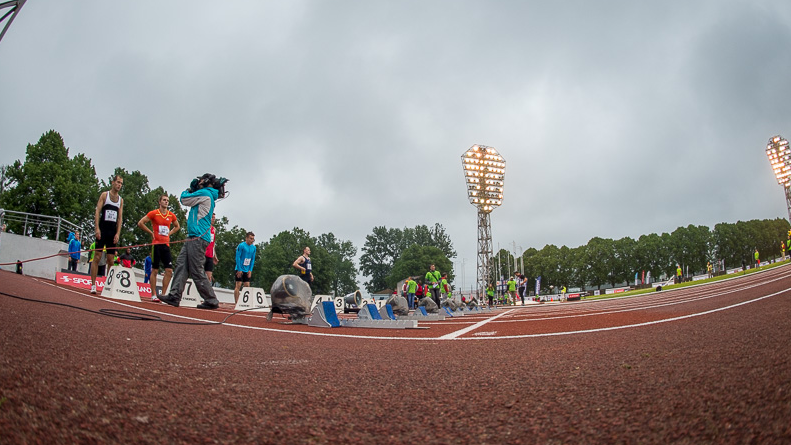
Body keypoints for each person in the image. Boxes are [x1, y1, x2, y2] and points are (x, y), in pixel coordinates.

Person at [159, 174, 225, 310]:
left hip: (198, 238)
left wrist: (189, 190)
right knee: (181, 265)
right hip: (193, 236)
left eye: (200, 180)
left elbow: (184, 199)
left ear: (206, 182)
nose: (198, 182)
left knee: (196, 270)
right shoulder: (207, 194)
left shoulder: (205, 193)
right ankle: (174, 295)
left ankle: (211, 299)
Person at [137, 194, 180, 297]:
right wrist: (150, 232)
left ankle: (164, 294)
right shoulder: (154, 213)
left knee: (169, 270)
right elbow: (141, 223)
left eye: (167, 200)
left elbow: (177, 226)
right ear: (159, 202)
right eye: (164, 200)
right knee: (155, 270)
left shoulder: (171, 215)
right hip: (156, 244)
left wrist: (170, 233)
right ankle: (153, 294)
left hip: (166, 245)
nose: (166, 202)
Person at [90, 175, 124, 294]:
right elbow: (97, 211)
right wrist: (97, 228)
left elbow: (120, 218)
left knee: (110, 260)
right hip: (103, 230)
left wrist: (118, 233)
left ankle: (107, 286)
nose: (119, 185)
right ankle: (93, 285)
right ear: (113, 182)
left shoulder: (120, 200)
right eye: (118, 182)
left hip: (112, 232)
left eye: (121, 183)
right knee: (97, 257)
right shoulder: (105, 195)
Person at [234, 232, 256, 302]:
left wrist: (250, 270)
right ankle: (236, 302)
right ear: (246, 238)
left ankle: (244, 301)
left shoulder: (253, 248)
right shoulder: (241, 246)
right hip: (239, 268)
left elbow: (253, 259)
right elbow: (237, 257)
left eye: (253, 239)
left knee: (247, 285)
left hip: (247, 269)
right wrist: (239, 269)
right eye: (250, 238)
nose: (252, 240)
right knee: (238, 284)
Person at [204, 213, 219, 284]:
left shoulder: (214, 229)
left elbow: (213, 244)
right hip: (203, 253)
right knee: (199, 274)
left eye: (214, 218)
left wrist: (215, 255)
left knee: (209, 276)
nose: (213, 219)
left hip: (210, 255)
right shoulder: (204, 228)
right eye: (212, 218)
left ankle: (206, 292)